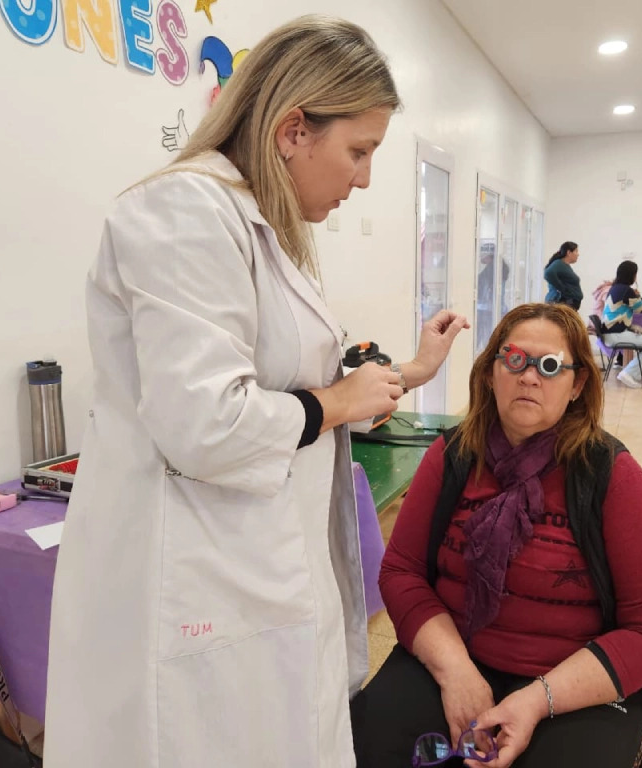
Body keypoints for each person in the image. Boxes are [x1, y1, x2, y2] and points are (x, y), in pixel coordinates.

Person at [43, 16, 469, 768]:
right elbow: (207, 422)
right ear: (293, 129)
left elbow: (290, 375)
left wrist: (401, 374)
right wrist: (339, 402)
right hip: (198, 583)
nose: (364, 178)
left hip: (257, 567)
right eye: (358, 151)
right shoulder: (184, 211)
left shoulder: (263, 226)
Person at [351, 303, 642, 768]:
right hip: (458, 656)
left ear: (578, 385)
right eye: (514, 360)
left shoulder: (610, 476)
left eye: (550, 366)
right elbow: (402, 572)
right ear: (491, 374)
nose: (529, 376)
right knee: (368, 748)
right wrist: (456, 672)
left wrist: (535, 701)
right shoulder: (452, 457)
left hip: (572, 682)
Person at [543, 241, 583, 310]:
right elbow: (548, 274)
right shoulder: (559, 263)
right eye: (576, 251)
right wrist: (562, 289)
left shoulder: (564, 265)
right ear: (569, 253)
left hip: (567, 304)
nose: (578, 254)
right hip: (563, 303)